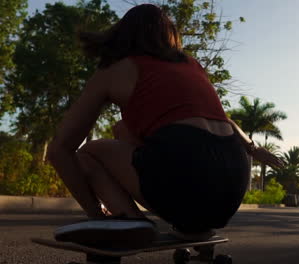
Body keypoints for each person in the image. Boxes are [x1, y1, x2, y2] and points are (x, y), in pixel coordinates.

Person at [47, 4, 283, 245]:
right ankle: (193, 227)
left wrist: (94, 214)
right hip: (231, 189)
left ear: (123, 33)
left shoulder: (115, 70)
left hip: (184, 173)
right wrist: (253, 148)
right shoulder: (192, 65)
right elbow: (227, 122)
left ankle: (121, 221)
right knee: (122, 129)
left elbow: (60, 149)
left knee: (88, 153)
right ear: (169, 35)